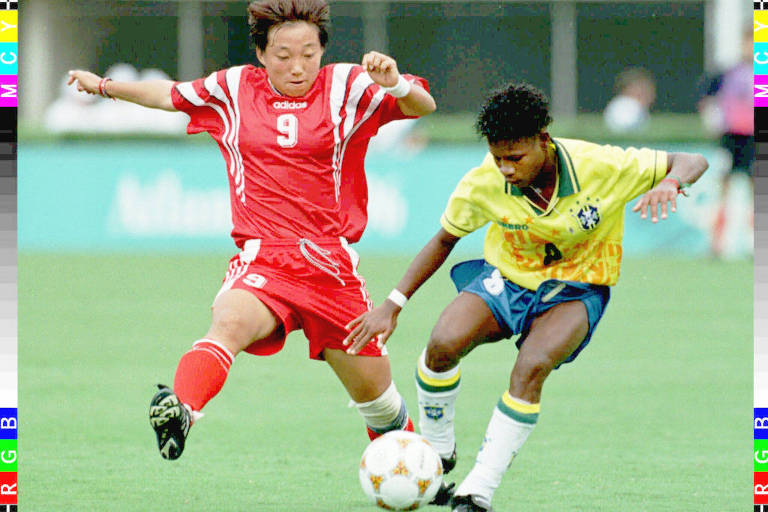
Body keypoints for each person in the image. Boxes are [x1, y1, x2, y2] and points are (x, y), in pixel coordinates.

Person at [68, 0, 438, 467]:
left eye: (308, 53)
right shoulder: (234, 87)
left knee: (378, 401)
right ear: (262, 54)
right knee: (228, 323)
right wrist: (103, 86)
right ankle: (182, 410)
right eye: (283, 55)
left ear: (323, 49)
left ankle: (423, 474)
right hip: (264, 257)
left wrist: (396, 82)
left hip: (330, 267)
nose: (297, 66)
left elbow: (422, 105)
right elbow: (170, 94)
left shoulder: (348, 84)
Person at [343, 82, 708, 512]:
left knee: (531, 366)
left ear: (544, 141)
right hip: (508, 280)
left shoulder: (599, 165)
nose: (507, 170)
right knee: (441, 345)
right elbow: (444, 240)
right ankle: (438, 453)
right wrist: (393, 303)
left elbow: (693, 159)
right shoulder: (484, 181)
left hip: (578, 288)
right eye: (499, 159)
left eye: (515, 158)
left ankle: (478, 489)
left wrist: (671, 183)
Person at [698, 27, 753, 258]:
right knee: (722, 190)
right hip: (730, 138)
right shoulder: (727, 72)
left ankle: (754, 244)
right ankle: (717, 244)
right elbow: (707, 100)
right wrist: (712, 122)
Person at [602, 67, 656, 133]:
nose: (649, 94)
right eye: (642, 89)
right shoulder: (626, 105)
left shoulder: (639, 109)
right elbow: (624, 126)